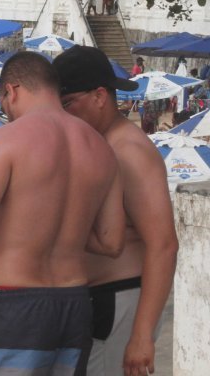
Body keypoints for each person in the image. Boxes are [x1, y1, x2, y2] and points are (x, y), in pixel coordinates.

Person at [0, 51, 125, 376]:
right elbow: (112, 242)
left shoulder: (8, 138)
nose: (6, 111)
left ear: (11, 90)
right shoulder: (100, 147)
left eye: (4, 102)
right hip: (74, 306)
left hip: (15, 305)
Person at [54, 46, 179, 376]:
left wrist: (141, 336)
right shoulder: (99, 144)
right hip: (102, 303)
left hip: (120, 302)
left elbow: (163, 244)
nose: (62, 115)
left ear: (99, 96)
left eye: (68, 104)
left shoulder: (128, 149)